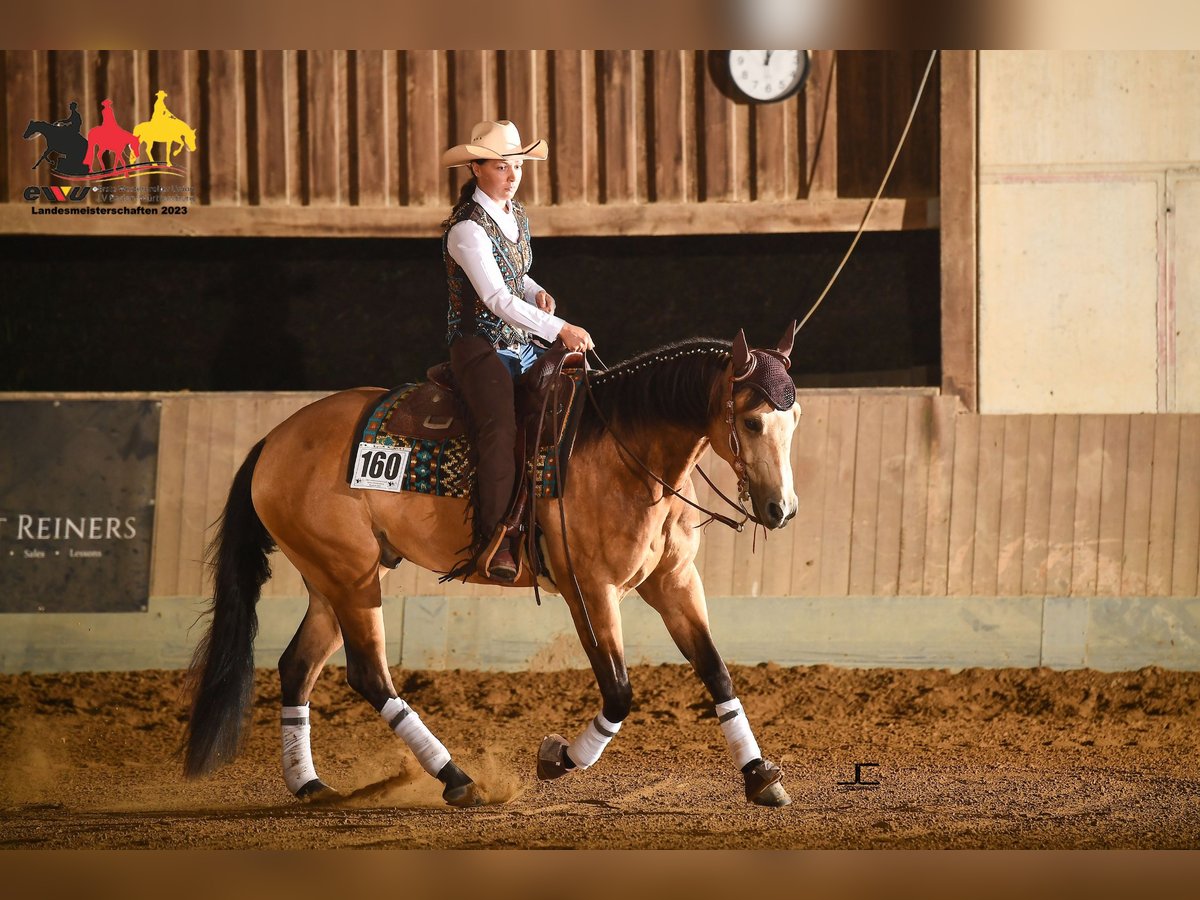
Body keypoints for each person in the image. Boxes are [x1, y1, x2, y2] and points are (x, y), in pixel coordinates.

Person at [441, 120, 594, 581]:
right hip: (477, 345)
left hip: (517, 341)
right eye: (502, 167)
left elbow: (515, 277)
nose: (512, 176)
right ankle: (496, 538)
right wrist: (559, 327)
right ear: (476, 168)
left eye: (518, 167)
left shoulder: (515, 214)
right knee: (499, 429)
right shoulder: (466, 229)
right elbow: (494, 299)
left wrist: (537, 291)